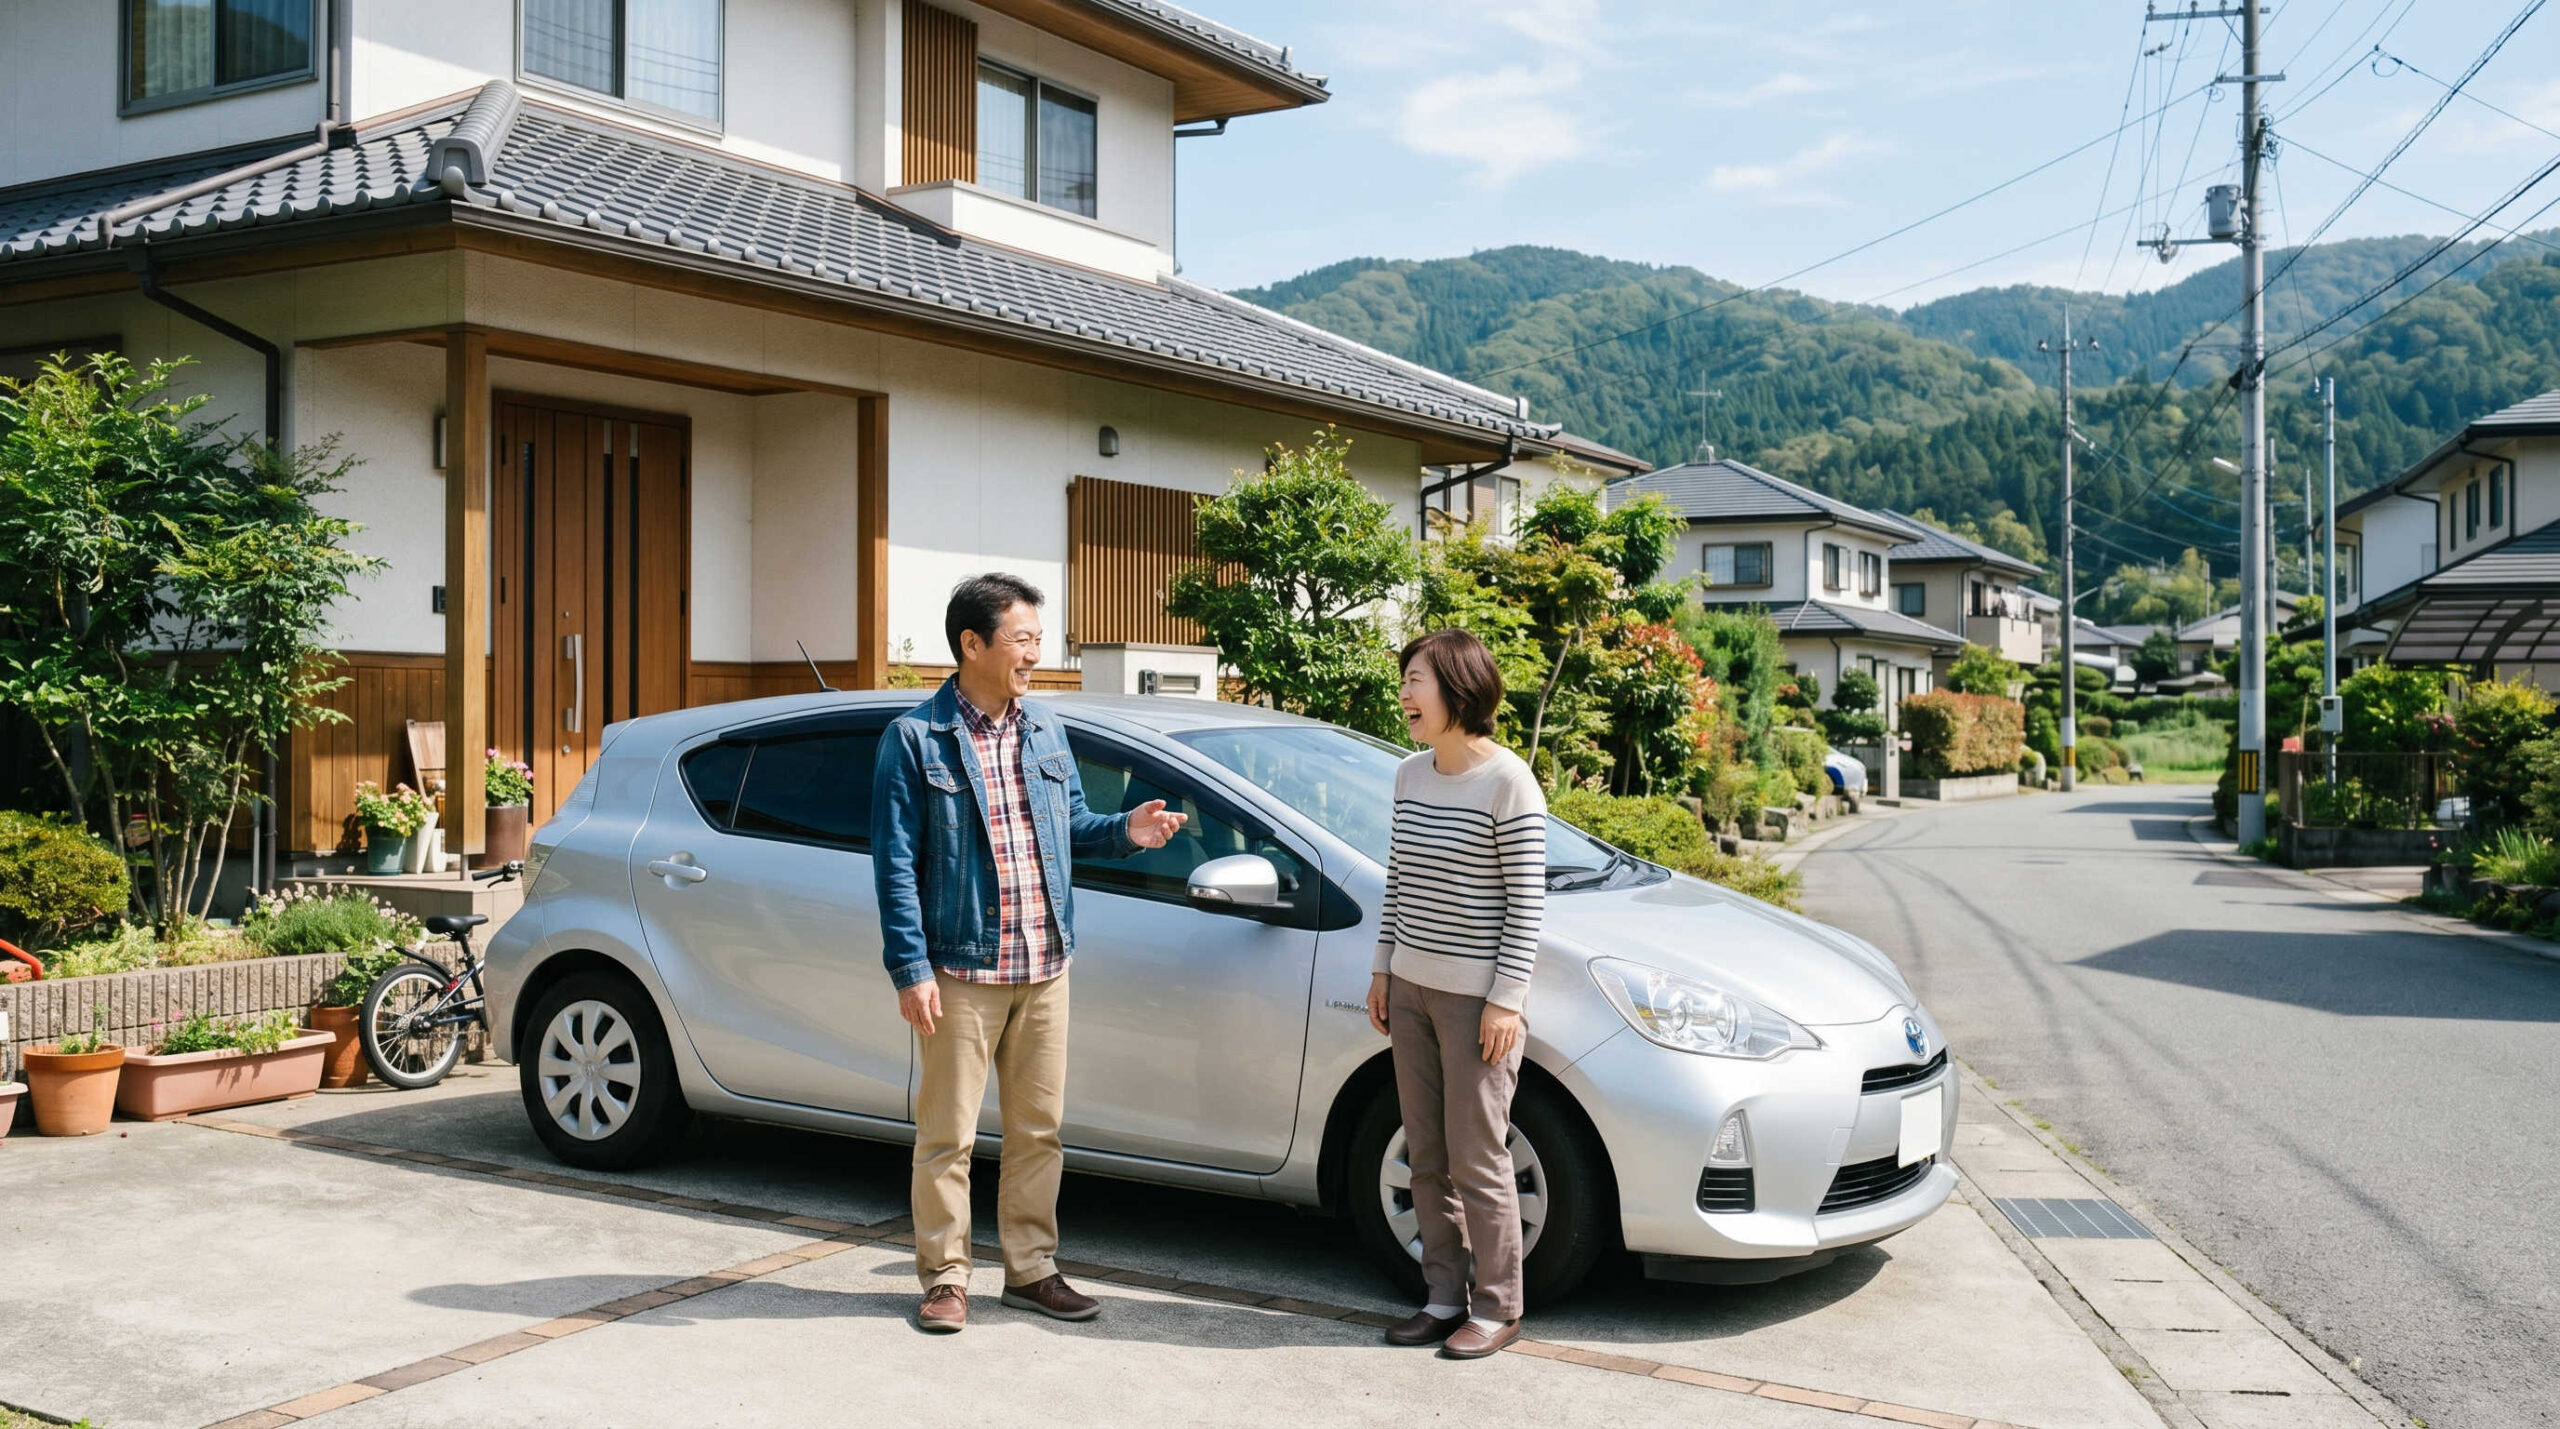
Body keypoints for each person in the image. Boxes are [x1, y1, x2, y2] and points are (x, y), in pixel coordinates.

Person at [871, 573, 1186, 1334]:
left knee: (1038, 1129)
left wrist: (1125, 830)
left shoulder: (1044, 727)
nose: (1035, 654)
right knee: (947, 1133)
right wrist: (910, 968)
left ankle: (1032, 1269)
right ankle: (946, 1278)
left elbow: (1068, 823)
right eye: (1022, 638)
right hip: (961, 966)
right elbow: (895, 862)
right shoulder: (916, 739)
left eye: (1038, 639)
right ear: (971, 643)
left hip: (1045, 965)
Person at [1364, 627, 1546, 1360]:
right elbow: (1398, 881)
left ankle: (1499, 1307)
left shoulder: (1508, 781)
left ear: (1459, 689)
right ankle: (1442, 1296)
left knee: (1478, 1156)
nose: (1405, 693)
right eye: (1405, 679)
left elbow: (1526, 900)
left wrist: (1506, 998)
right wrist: (1383, 967)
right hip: (1411, 987)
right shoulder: (1409, 774)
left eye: (1418, 680)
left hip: (1477, 1004)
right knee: (1426, 1152)